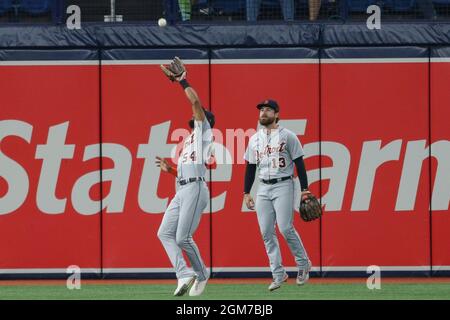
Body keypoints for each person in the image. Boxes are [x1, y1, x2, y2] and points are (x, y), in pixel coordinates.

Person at [156, 57, 215, 297]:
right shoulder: (190, 139)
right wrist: (169, 169)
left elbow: (196, 102)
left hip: (196, 189)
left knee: (182, 237)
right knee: (164, 233)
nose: (194, 118)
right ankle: (183, 274)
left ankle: (201, 274)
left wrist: (182, 81)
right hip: (182, 189)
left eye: (198, 115)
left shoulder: (204, 131)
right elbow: (184, 171)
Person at [243, 99, 314, 291]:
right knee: (266, 232)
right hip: (263, 188)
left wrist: (305, 189)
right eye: (261, 110)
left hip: (284, 184)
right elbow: (250, 166)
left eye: (268, 110)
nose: (263, 112)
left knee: (285, 228)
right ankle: (278, 273)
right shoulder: (254, 139)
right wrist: (246, 192)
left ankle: (303, 264)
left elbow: (300, 163)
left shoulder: (288, 136)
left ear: (276, 114)